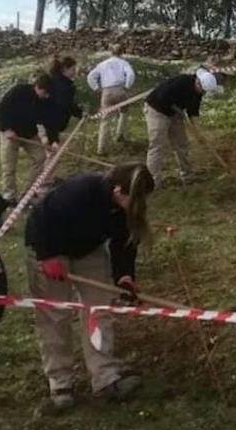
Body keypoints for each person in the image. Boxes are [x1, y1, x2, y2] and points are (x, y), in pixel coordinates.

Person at [25, 162, 156, 412]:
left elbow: (124, 243)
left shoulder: (123, 209)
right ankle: (60, 384)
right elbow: (41, 218)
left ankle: (105, 377)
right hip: (49, 248)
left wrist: (124, 277)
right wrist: (47, 256)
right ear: (118, 190)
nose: (140, 205)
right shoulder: (80, 192)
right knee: (55, 315)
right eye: (135, 198)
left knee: (98, 310)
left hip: (88, 250)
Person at [144, 68, 220, 186]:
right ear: (198, 82)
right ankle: (152, 181)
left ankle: (187, 175)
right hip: (157, 109)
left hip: (175, 113)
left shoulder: (198, 92)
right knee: (157, 145)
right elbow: (163, 97)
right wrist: (178, 110)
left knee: (182, 144)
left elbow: (193, 112)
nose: (202, 93)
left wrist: (198, 132)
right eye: (202, 90)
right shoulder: (181, 82)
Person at [0, 74, 58, 204]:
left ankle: (28, 193)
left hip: (29, 133)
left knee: (41, 157)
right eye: (44, 92)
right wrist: (6, 128)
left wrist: (53, 141)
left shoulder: (46, 101)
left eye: (48, 94)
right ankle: (9, 196)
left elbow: (50, 122)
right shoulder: (19, 92)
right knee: (9, 165)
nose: (46, 96)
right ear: (37, 87)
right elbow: (1, 109)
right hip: (10, 133)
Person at [87, 44, 136, 154]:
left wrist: (96, 88)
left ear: (111, 52)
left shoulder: (103, 64)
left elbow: (90, 76)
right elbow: (131, 75)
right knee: (124, 112)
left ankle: (101, 148)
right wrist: (127, 86)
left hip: (107, 91)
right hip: (120, 90)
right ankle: (119, 134)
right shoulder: (124, 63)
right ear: (121, 53)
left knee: (105, 119)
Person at [47, 56, 85, 144]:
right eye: (73, 69)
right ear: (64, 69)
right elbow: (67, 103)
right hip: (52, 120)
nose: (75, 72)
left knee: (50, 146)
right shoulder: (64, 86)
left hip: (49, 120)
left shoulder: (54, 80)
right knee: (52, 146)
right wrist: (80, 113)